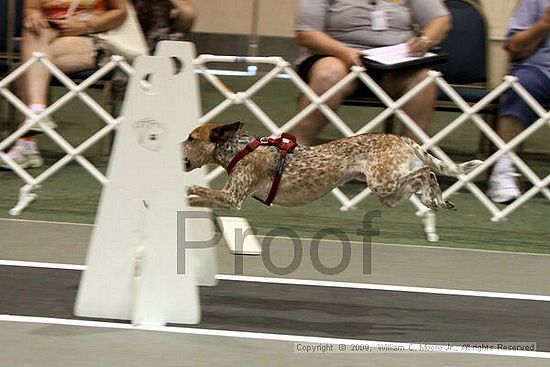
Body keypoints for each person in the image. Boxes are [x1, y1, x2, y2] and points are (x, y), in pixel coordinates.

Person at [292, 0, 452, 145]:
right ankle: (295, 147)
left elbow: (440, 19)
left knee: (423, 79)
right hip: (337, 56)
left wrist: (424, 41)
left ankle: (412, 156)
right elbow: (306, 33)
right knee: (329, 72)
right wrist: (344, 52)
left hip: (394, 63)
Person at [0, 0, 128, 170]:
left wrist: (84, 26)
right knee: (33, 42)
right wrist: (34, 16)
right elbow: (31, 9)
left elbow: (120, 12)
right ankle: (36, 113)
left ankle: (28, 141)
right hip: (47, 38)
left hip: (92, 38)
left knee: (30, 64)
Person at [487, 0, 550, 204]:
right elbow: (514, 46)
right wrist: (544, 24)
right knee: (521, 84)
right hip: (539, 72)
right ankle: (503, 169)